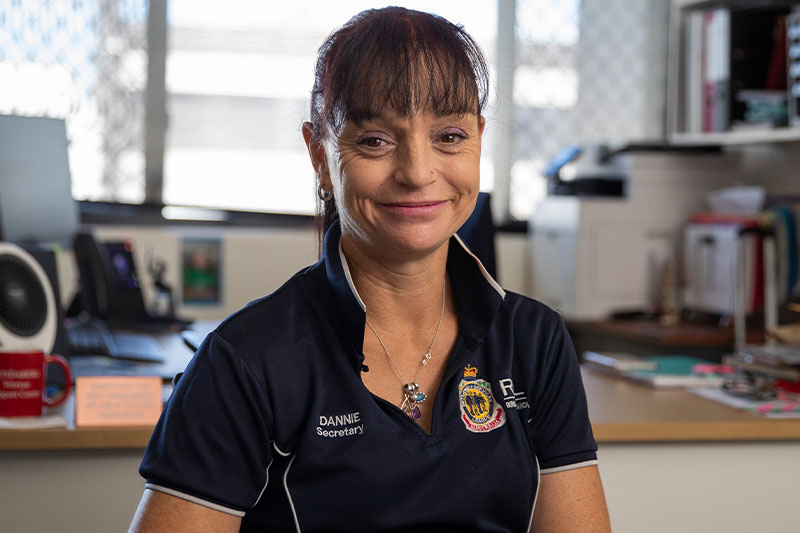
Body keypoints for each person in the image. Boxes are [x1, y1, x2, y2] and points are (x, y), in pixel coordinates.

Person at [130, 7, 610, 532]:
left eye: (449, 136)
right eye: (376, 141)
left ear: (478, 138)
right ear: (319, 154)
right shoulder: (245, 361)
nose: (418, 172)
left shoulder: (535, 341)